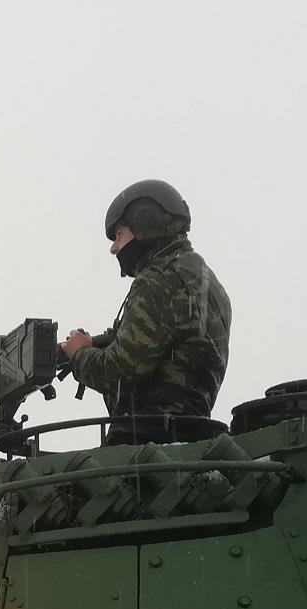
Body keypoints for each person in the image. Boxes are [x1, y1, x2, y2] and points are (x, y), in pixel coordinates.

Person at [60, 179, 232, 437]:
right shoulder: (204, 279)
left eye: (119, 235)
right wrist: (97, 343)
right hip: (191, 429)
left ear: (145, 223)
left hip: (146, 435)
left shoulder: (158, 280)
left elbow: (120, 371)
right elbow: (163, 340)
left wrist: (80, 354)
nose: (114, 248)